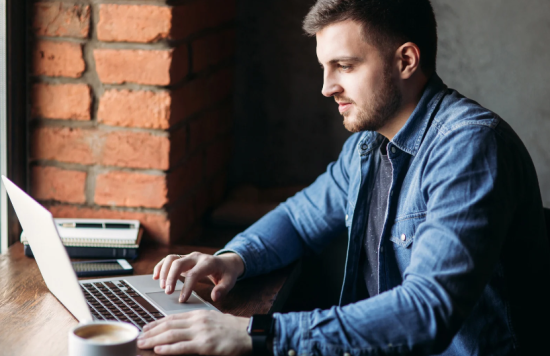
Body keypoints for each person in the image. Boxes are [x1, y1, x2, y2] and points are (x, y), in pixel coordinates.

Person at [137, 0, 550, 355]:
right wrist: (232, 259)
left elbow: (429, 308)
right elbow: (300, 218)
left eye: (344, 66)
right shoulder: (367, 145)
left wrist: (258, 333)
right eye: (324, 67)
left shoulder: (468, 146)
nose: (326, 87)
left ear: (406, 60)